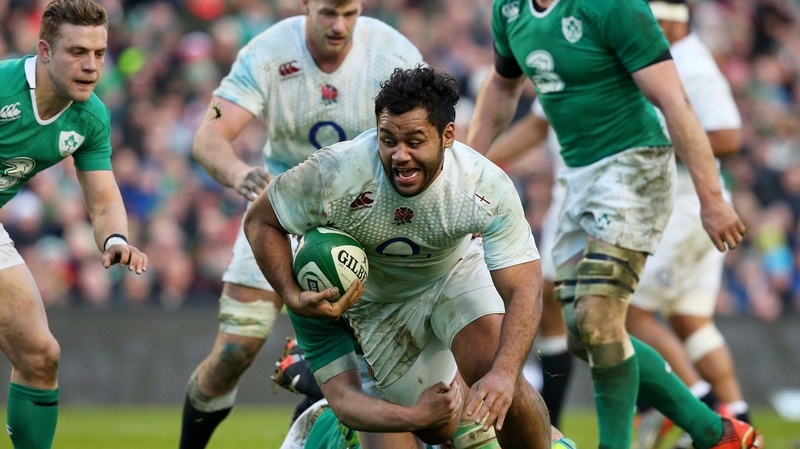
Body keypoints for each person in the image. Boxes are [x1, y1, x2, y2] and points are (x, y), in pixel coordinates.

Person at [467, 0, 761, 448]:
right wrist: (467, 172)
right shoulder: (509, 10)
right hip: (577, 178)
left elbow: (673, 99)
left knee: (599, 317)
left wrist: (713, 198)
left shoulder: (613, 6)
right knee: (585, 336)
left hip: (634, 168)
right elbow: (503, 88)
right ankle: (714, 431)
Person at [244, 66, 551, 448]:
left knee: (503, 382)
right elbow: (260, 220)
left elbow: (525, 288)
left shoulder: (483, 185)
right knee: (437, 426)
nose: (399, 155)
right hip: (377, 305)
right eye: (387, 140)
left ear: (448, 135)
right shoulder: (334, 172)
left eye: (414, 141)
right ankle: (329, 404)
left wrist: (505, 373)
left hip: (452, 273)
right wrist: (291, 294)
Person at [181, 0, 423, 447]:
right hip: (278, 215)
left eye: (349, 13)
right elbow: (210, 135)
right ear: (306, 4)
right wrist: (239, 173)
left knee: (375, 365)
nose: (339, 25)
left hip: (364, 219)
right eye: (328, 12)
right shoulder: (267, 52)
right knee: (234, 351)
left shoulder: (394, 54)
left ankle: (311, 374)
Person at [0, 1, 148, 447]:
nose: (91, 66)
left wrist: (116, 238)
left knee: (40, 355)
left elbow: (103, 202)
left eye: (99, 53)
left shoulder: (91, 117)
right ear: (44, 51)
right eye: (77, 52)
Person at [623, 1, 751, 447]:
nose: (644, 30)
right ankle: (739, 416)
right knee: (690, 319)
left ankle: (697, 412)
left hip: (688, 207)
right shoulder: (683, 59)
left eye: (651, 21)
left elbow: (728, 136)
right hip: (694, 206)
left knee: (628, 312)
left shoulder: (690, 65)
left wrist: (658, 143)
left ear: (670, 21)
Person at [484, 100, 572, 430]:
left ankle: (687, 410)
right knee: (551, 304)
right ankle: (552, 428)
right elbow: (536, 124)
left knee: (603, 320)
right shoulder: (555, 76)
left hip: (605, 196)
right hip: (570, 200)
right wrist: (474, 160)